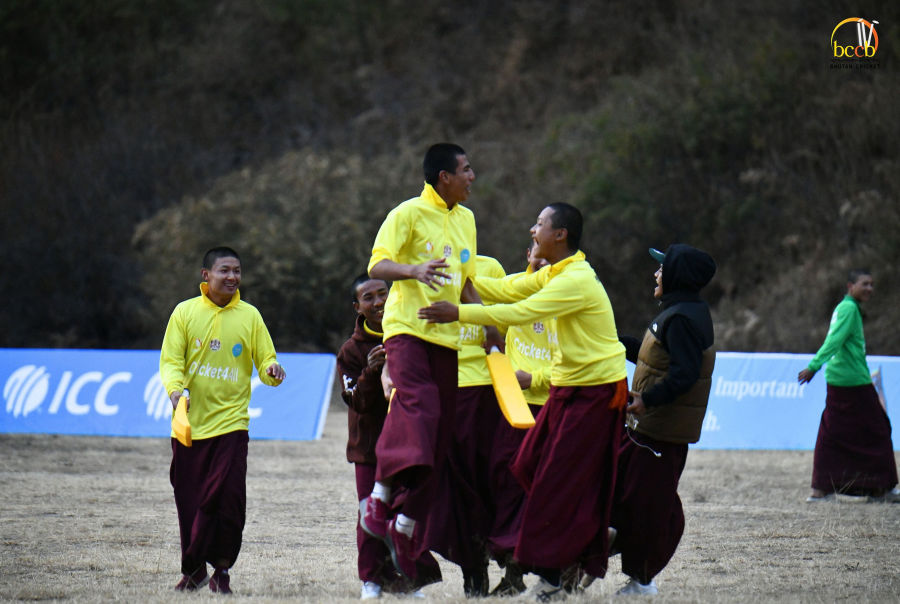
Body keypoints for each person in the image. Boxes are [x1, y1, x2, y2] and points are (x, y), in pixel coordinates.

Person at [419, 203, 627, 602]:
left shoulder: (576, 281)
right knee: (526, 468)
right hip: (570, 389)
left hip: (595, 393)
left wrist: (457, 312)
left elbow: (518, 311)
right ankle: (586, 542)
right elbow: (509, 289)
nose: (532, 230)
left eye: (539, 224)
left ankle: (554, 577)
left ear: (560, 234)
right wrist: (461, 275)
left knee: (553, 483)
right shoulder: (556, 270)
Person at [359, 143, 501, 582]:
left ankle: (404, 526)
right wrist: (414, 270)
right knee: (422, 412)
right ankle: (379, 500)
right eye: (466, 169)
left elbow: (466, 284)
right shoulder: (406, 213)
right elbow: (378, 264)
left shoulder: (467, 220)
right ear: (444, 176)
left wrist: (489, 326)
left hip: (448, 340)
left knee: (438, 440)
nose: (472, 176)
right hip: (407, 331)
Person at [159, 246, 286, 594]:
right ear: (206, 276)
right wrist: (174, 391)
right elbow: (170, 361)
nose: (232, 277)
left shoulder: (250, 316)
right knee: (191, 501)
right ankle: (195, 569)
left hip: (232, 425)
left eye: (237, 271)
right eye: (224, 271)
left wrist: (272, 370)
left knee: (228, 500)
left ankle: (223, 571)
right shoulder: (184, 313)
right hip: (189, 427)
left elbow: (266, 359)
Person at [606, 244, 717, 596]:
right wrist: (610, 342)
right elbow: (654, 357)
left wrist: (646, 399)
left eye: (661, 269)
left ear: (677, 276)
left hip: (658, 434)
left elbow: (684, 374)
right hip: (647, 432)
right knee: (627, 499)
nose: (655, 274)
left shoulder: (683, 319)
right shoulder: (679, 312)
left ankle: (642, 580)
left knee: (648, 508)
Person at [336, 274, 441, 599]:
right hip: (369, 450)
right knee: (370, 516)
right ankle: (372, 580)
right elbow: (355, 401)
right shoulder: (351, 351)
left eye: (383, 293)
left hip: (408, 446)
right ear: (358, 306)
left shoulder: (413, 336)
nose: (378, 302)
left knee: (405, 517)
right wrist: (370, 372)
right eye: (369, 297)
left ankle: (406, 580)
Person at [419, 254, 506, 597]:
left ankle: (502, 560)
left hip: (488, 388)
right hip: (443, 389)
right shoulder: (428, 268)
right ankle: (473, 566)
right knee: (452, 487)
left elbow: (508, 321)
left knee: (488, 481)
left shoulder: (490, 268)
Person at [798, 269, 899, 503]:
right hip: (853, 382)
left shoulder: (847, 308)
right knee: (879, 430)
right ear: (850, 286)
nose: (870, 289)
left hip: (840, 380)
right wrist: (814, 365)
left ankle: (821, 490)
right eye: (865, 284)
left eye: (872, 285)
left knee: (833, 433)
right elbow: (834, 341)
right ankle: (882, 489)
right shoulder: (849, 309)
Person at [486, 243, 551, 597]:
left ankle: (551, 568)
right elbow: (486, 324)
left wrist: (536, 379)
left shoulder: (568, 297)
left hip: (550, 407)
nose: (540, 263)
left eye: (548, 259)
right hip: (511, 404)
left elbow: (578, 361)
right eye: (535, 256)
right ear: (527, 253)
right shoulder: (511, 288)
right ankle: (512, 570)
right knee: (504, 481)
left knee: (539, 489)